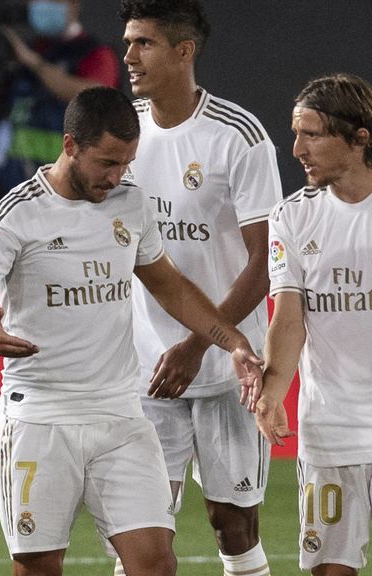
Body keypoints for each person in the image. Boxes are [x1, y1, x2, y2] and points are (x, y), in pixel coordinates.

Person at [0, 86, 264, 576]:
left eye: (126, 164)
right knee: (38, 566)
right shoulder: (16, 214)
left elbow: (171, 287)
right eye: (107, 163)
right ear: (70, 145)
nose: (117, 176)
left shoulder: (130, 205)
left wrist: (232, 340)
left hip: (120, 415)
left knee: (155, 563)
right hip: (42, 417)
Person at [118, 2, 282, 574]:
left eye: (144, 43)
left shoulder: (238, 136)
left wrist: (199, 345)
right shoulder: (124, 132)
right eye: (128, 42)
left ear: (184, 50)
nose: (129, 56)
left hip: (227, 369)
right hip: (147, 368)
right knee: (141, 529)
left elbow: (265, 263)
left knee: (232, 525)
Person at [255, 73, 372, 576]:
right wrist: (272, 391)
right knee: (328, 570)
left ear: (360, 137)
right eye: (295, 132)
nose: (297, 147)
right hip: (332, 429)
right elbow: (288, 316)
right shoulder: (291, 217)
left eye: (313, 134)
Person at [0, 0, 120, 199]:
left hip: (67, 189)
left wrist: (34, 63)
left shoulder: (95, 54)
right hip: (12, 185)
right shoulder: (27, 51)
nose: (42, 5)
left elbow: (95, 97)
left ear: (73, 5)